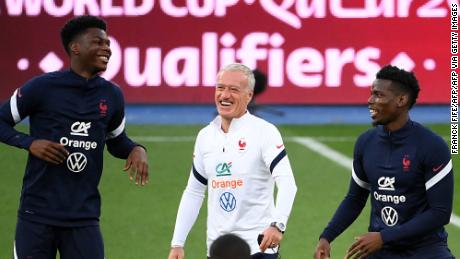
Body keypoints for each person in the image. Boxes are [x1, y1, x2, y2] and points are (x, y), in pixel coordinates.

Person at [0, 15, 149, 259]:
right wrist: (29, 143)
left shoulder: (112, 95)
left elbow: (117, 141)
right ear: (75, 47)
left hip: (83, 219)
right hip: (36, 216)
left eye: (108, 44)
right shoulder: (42, 87)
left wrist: (136, 149)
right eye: (98, 42)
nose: (107, 49)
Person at [314, 65, 454, 259]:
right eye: (371, 94)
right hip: (381, 250)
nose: (370, 101)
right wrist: (326, 237)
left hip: (425, 249)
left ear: (401, 100)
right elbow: (355, 198)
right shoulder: (366, 142)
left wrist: (384, 236)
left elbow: (440, 213)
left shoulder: (431, 146)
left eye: (378, 95)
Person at [168, 63, 297, 259]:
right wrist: (177, 243)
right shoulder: (205, 136)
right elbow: (194, 190)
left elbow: (287, 182)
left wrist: (278, 224)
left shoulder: (265, 132)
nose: (224, 95)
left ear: (249, 96)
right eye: (220, 88)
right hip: (219, 251)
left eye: (234, 90)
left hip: (259, 250)